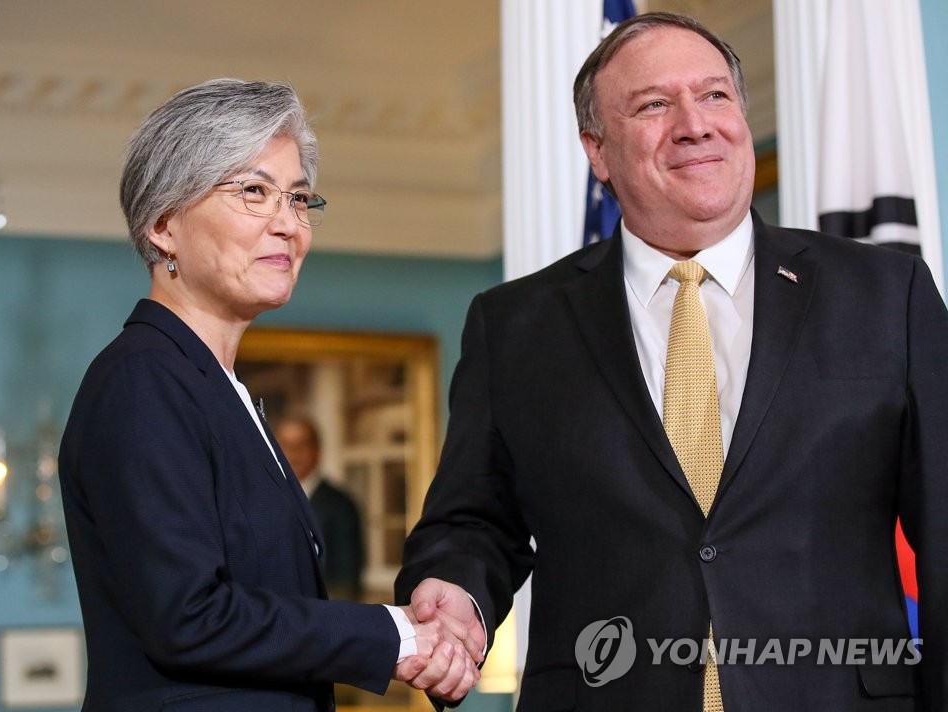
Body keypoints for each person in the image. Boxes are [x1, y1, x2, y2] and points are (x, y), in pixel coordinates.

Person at [396, 12, 947, 711]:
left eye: (714, 95)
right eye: (654, 105)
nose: (695, 125)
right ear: (598, 150)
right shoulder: (515, 325)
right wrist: (455, 591)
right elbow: (474, 520)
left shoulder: (886, 295)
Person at [59, 78, 479, 712]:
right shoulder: (143, 379)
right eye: (253, 192)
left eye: (299, 199)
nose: (289, 225)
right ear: (164, 224)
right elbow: (188, 614)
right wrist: (394, 636)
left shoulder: (218, 389)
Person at [275, 416, 365, 600]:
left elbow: (345, 581)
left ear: (317, 450)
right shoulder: (263, 500)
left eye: (302, 444)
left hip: (321, 610)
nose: (293, 453)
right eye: (286, 445)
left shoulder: (341, 505)